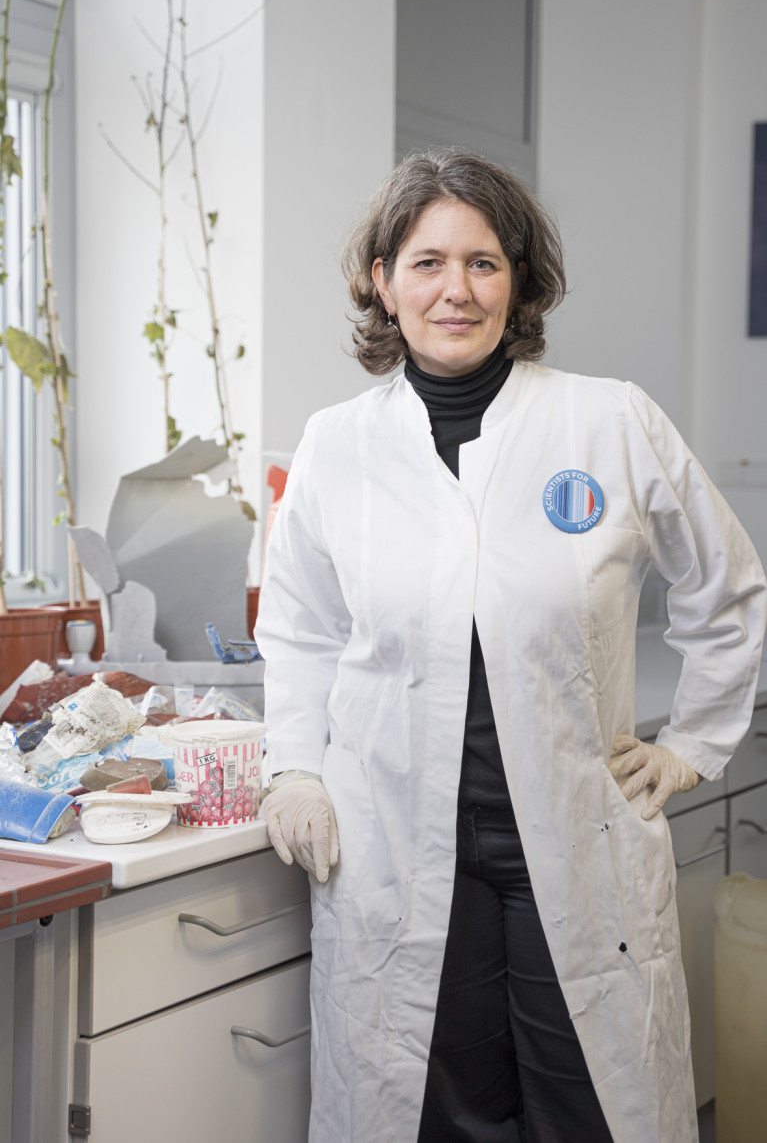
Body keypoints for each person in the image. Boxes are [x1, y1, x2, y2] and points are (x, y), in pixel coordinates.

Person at [256, 150, 767, 1143]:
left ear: (520, 281)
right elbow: (301, 630)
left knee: (586, 1105)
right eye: (427, 262)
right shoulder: (334, 446)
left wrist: (691, 740)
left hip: (571, 837)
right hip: (400, 845)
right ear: (381, 279)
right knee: (440, 1111)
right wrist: (293, 770)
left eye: (483, 262)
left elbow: (727, 583)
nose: (456, 289)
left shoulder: (606, 420)